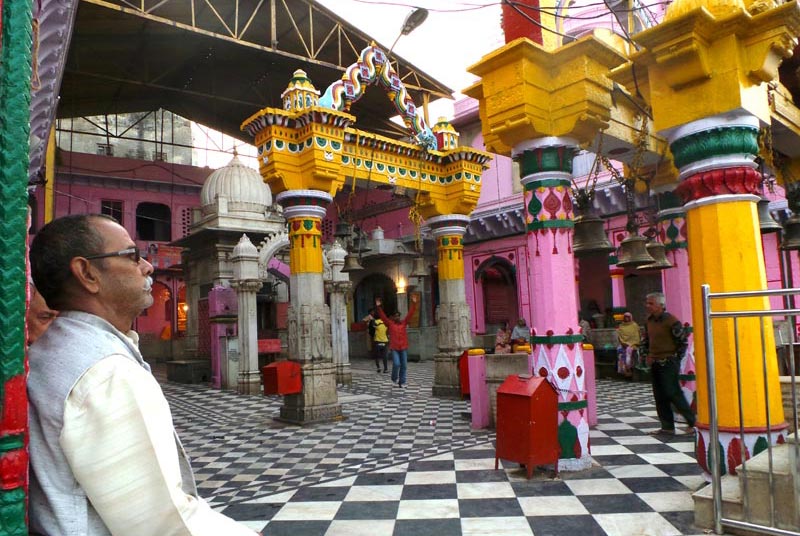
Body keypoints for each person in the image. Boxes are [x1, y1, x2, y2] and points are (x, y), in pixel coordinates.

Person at [27, 214, 259, 536]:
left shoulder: (53, 350)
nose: (148, 267)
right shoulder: (106, 373)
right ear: (87, 274)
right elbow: (163, 524)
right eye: (132, 256)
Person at [641, 292, 696, 435]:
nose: (647, 306)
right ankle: (667, 426)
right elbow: (646, 340)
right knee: (659, 395)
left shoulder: (672, 321)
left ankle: (692, 422)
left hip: (669, 362)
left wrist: (675, 359)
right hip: (655, 362)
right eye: (647, 303)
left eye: (651, 303)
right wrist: (647, 354)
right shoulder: (649, 321)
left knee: (673, 393)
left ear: (661, 305)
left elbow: (682, 342)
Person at [375, 294, 418, 388]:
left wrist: (414, 303)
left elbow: (410, 314)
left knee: (404, 365)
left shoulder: (404, 323)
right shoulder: (389, 324)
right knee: (396, 364)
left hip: (403, 347)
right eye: (395, 316)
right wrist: (378, 307)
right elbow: (383, 317)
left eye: (398, 316)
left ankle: (402, 382)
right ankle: (394, 378)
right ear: (393, 317)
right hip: (394, 348)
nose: (397, 317)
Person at [616, 312, 640, 377]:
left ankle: (629, 370)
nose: (626, 318)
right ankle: (624, 371)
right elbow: (620, 336)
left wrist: (632, 344)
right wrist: (623, 343)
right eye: (625, 317)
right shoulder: (621, 326)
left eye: (628, 317)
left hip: (633, 344)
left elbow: (636, 336)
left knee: (630, 351)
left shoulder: (634, 325)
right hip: (623, 344)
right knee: (620, 352)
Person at [367, 308, 389, 373]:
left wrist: (373, 336)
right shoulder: (385, 322)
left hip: (377, 341)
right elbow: (387, 331)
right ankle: (386, 369)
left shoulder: (374, 322)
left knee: (377, 355)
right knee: (384, 356)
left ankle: (378, 368)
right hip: (385, 341)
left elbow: (371, 330)